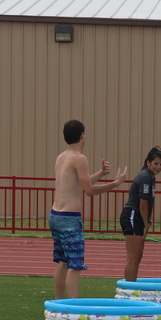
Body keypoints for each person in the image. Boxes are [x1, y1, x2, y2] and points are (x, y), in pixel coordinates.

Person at [50, 120, 128, 299]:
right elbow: (89, 191)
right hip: (69, 217)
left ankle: (59, 303)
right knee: (75, 264)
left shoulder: (62, 157)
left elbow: (78, 183)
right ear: (82, 135)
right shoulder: (80, 158)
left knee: (62, 262)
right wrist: (116, 183)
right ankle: (72, 305)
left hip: (56, 214)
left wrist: (101, 173)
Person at [120, 147, 161, 281]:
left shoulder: (150, 177)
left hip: (138, 216)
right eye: (155, 164)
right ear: (148, 163)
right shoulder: (145, 177)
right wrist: (146, 223)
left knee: (137, 257)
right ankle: (129, 288)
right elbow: (143, 204)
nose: (158, 167)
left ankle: (132, 284)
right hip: (133, 215)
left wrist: (147, 221)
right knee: (133, 257)